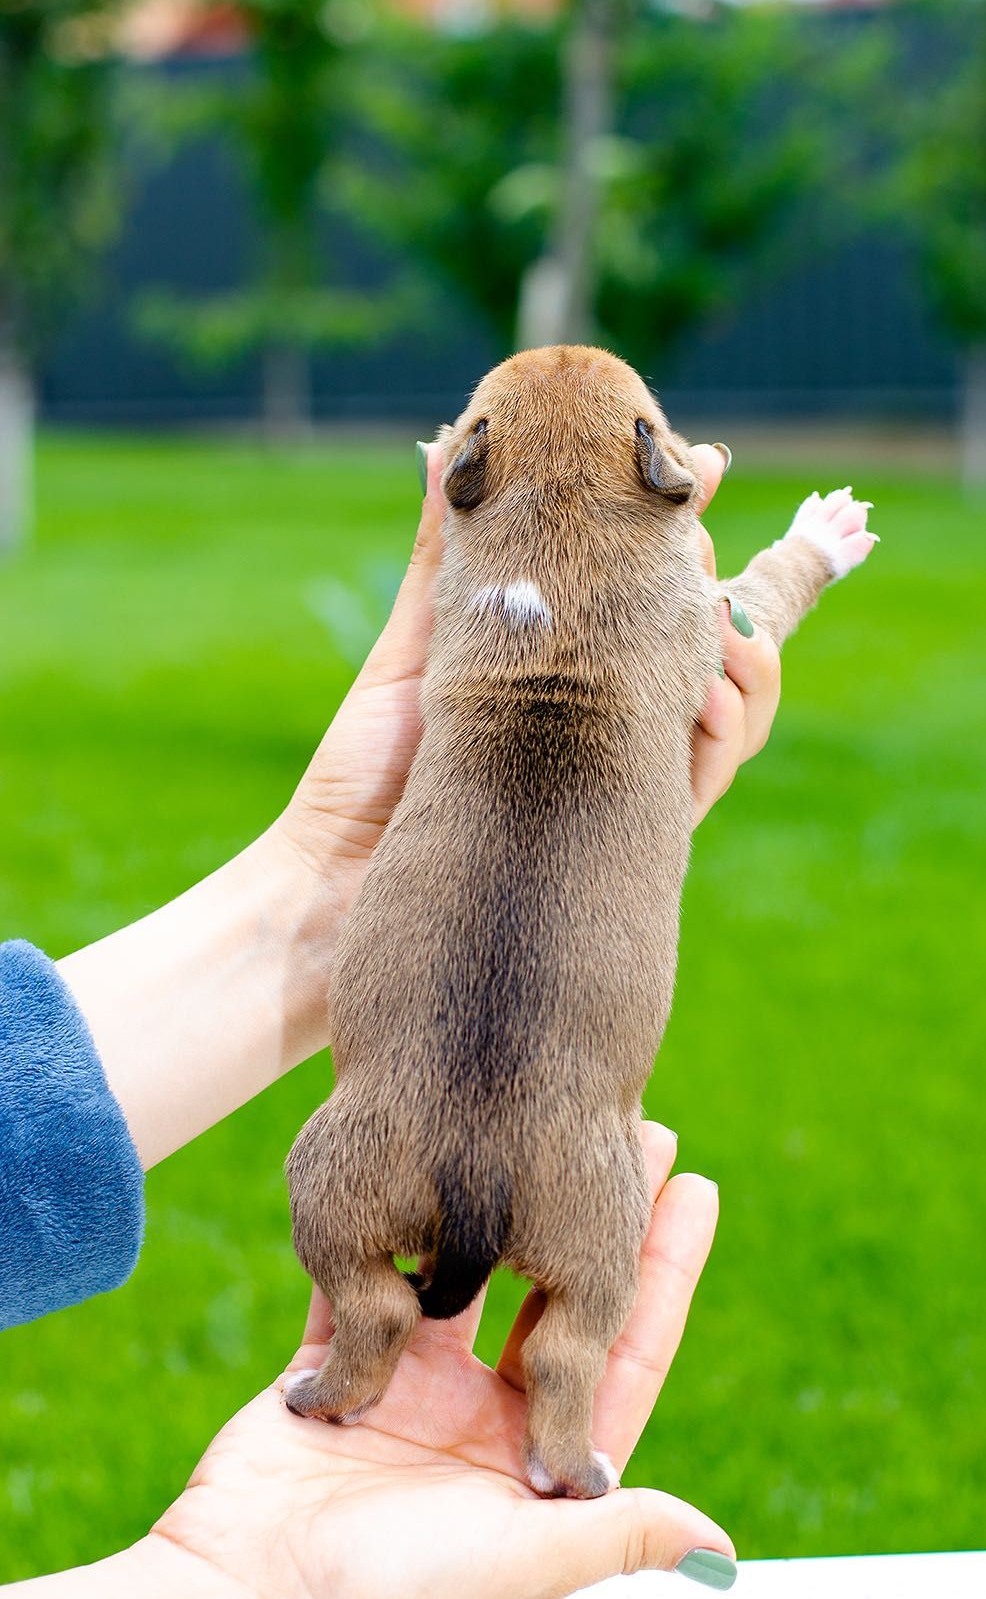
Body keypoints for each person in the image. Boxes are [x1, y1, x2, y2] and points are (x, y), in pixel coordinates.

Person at [2, 443, 781, 1598]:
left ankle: (370, 1319)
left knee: (340, 1181)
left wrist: (322, 894)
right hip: (567, 1150)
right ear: (665, 478)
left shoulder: (473, 604)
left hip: (397, 1123)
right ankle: (563, 1389)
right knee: (599, 1254)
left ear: (461, 480)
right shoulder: (656, 601)